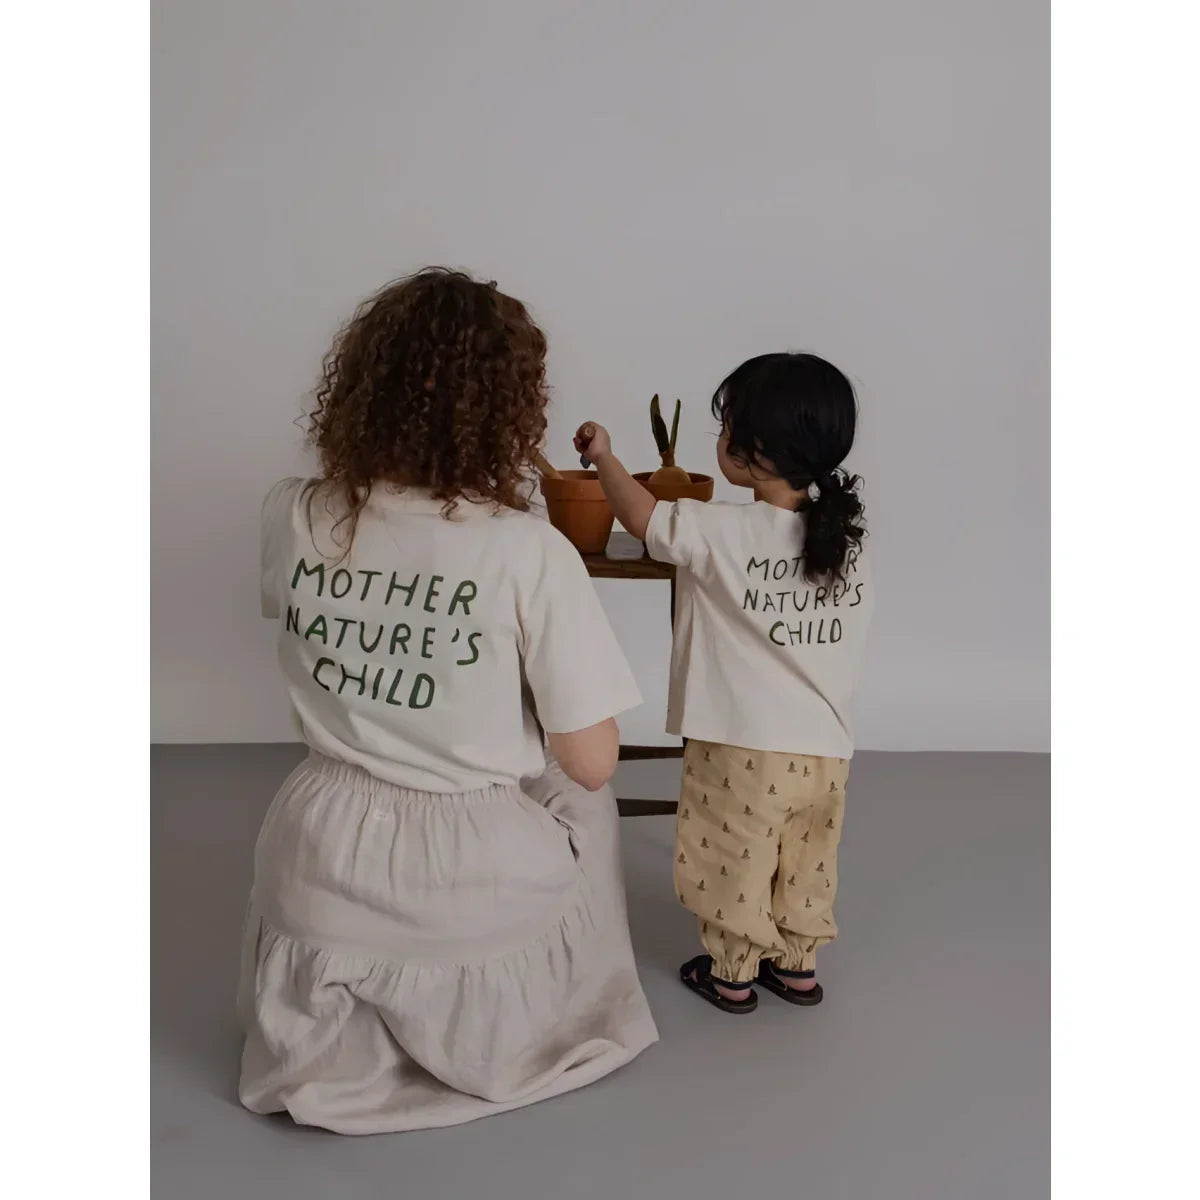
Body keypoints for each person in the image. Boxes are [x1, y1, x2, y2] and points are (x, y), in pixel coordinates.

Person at [239, 268, 658, 1133]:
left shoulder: (292, 515)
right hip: (467, 865)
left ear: (361, 388)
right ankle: (524, 1017)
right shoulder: (527, 551)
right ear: (510, 410)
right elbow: (591, 760)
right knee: (585, 799)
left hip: (319, 851)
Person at [576, 353, 872, 1014]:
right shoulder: (845, 539)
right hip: (827, 748)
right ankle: (797, 965)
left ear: (751, 450)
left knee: (733, 857)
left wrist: (604, 457)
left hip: (742, 743)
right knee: (806, 858)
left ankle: (733, 971)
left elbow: (641, 517)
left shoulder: (720, 531)